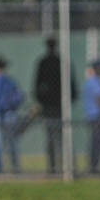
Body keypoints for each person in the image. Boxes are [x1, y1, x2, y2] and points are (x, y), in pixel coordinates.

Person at [34, 36, 77, 174]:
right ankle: (62, 166)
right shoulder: (56, 62)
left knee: (54, 137)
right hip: (56, 104)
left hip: (55, 105)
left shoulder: (50, 62)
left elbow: (37, 85)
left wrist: (41, 100)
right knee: (60, 136)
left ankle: (56, 167)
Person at [82, 64, 100, 173]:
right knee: (96, 142)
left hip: (90, 115)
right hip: (96, 115)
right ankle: (94, 165)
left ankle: (93, 165)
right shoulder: (94, 81)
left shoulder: (88, 82)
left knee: (94, 141)